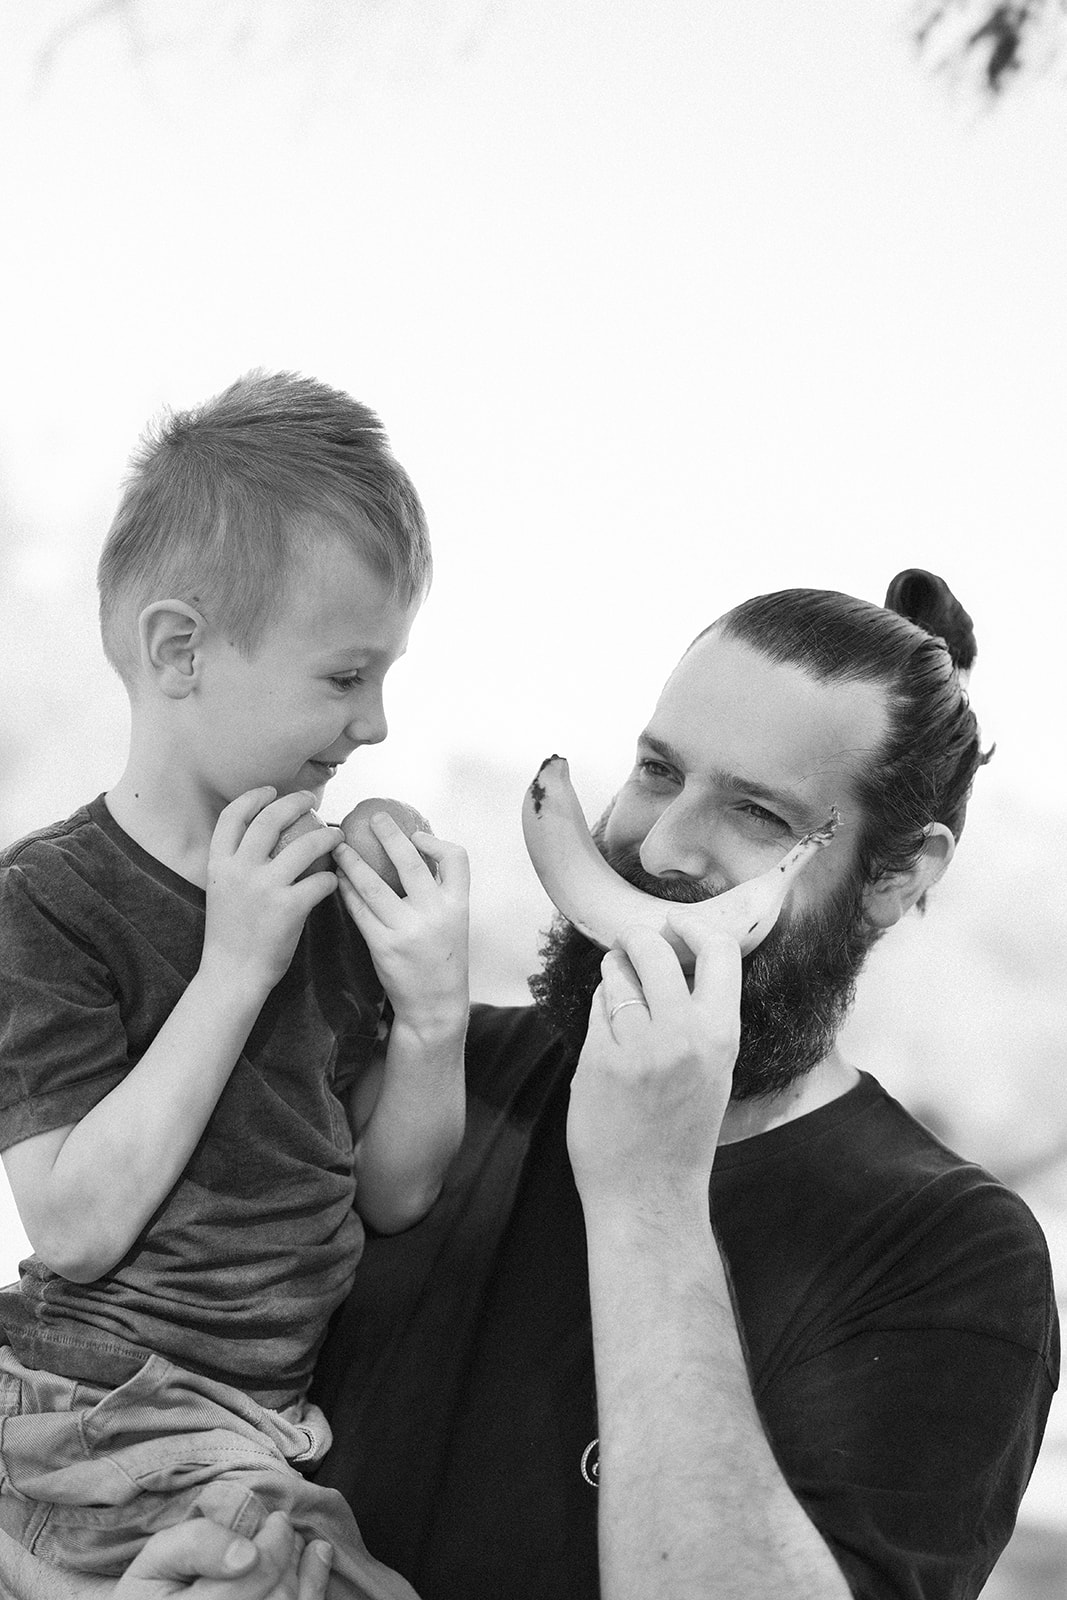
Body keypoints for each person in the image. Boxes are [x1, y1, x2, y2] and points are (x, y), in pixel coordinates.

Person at [4, 571, 1059, 1600]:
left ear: (896, 878)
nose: (663, 843)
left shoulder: (952, 1260)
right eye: (656, 769)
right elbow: (110, 1354)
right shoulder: (435, 1075)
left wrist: (646, 1196)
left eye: (756, 814)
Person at [0, 372, 471, 1600]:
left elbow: (394, 1191)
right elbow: (73, 1222)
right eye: (341, 675)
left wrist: (428, 1010)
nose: (373, 722)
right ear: (179, 652)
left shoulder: (326, 896)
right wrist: (233, 965)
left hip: (249, 1421)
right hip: (97, 1396)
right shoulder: (48, 899)